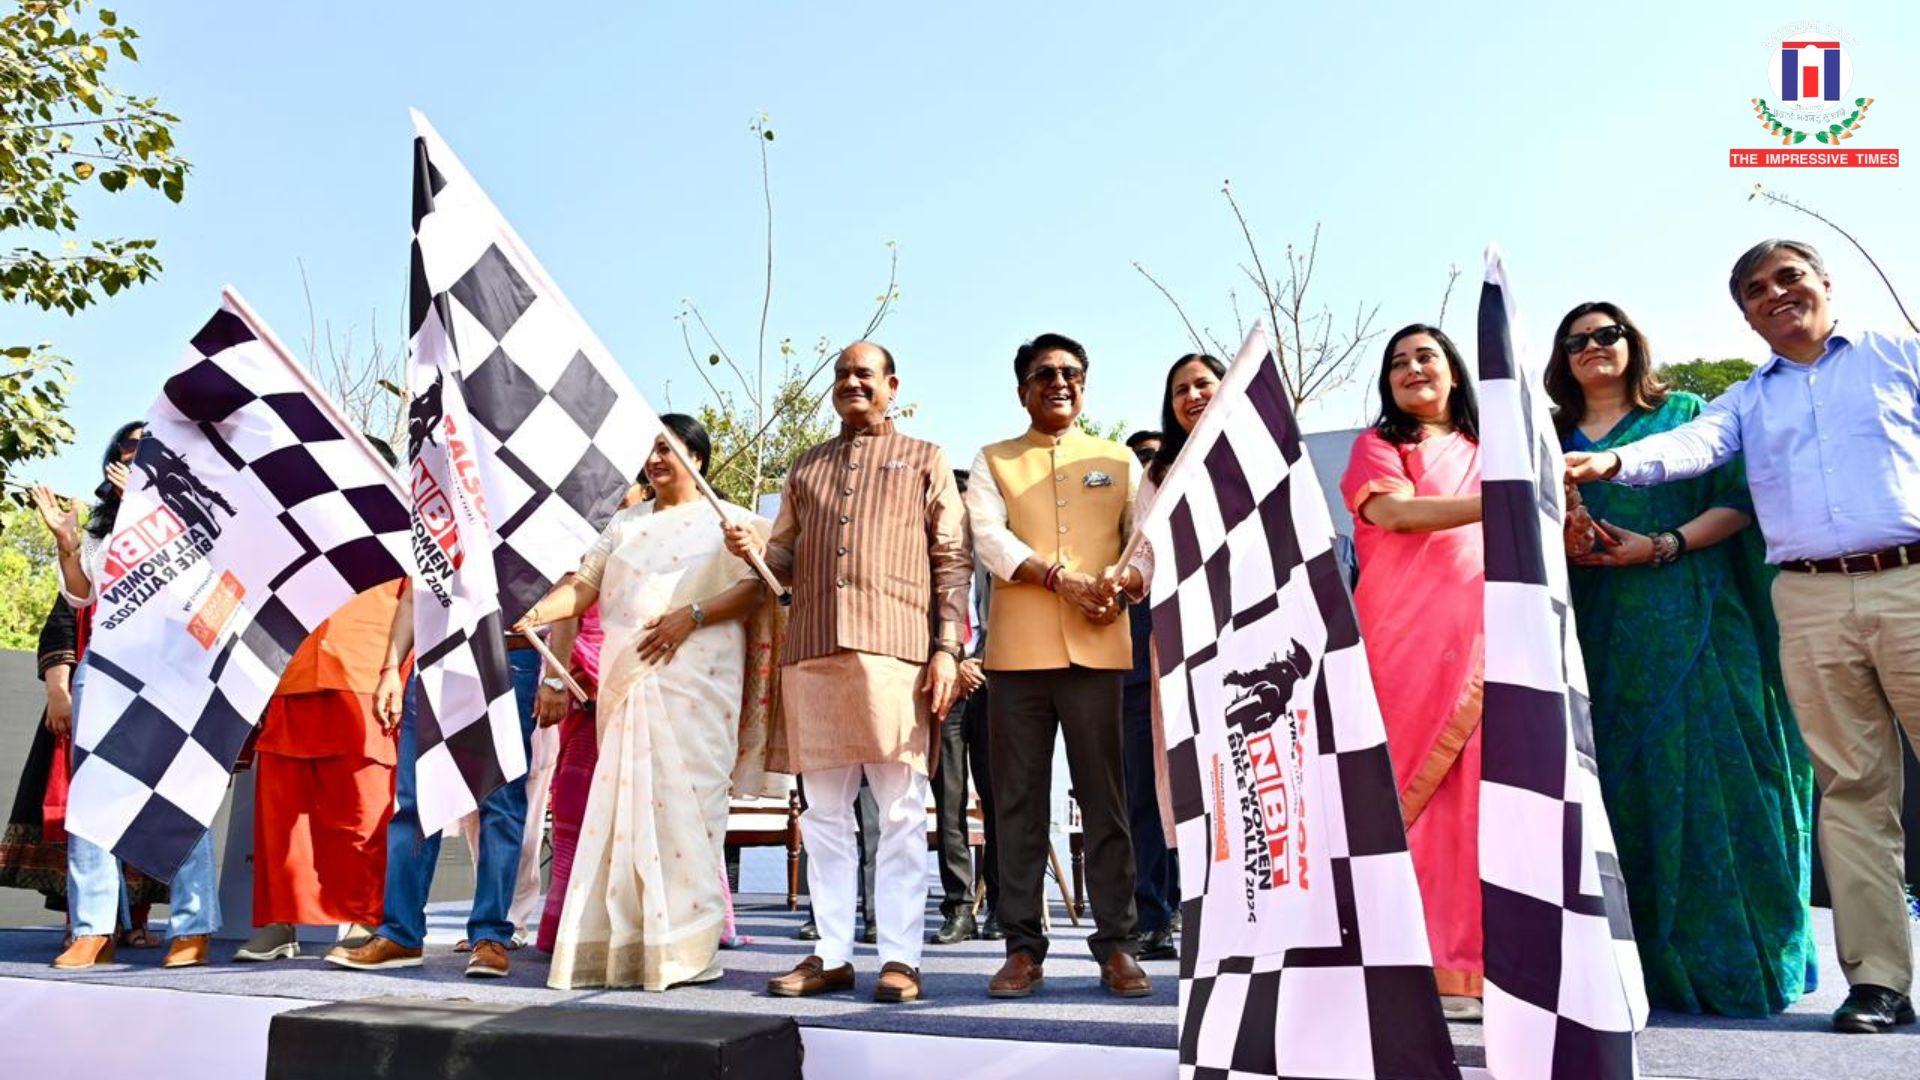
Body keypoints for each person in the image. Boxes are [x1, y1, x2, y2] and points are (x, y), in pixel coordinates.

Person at [1567, 239, 1920, 1035]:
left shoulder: (1899, 356)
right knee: (1853, 794)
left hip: (1910, 579)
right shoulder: (1745, 401)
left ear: (1825, 283)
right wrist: (1610, 465)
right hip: (1810, 598)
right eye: (1756, 289)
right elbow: (1690, 449)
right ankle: (1879, 985)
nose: (1776, 294)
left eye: (1789, 277)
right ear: (1745, 312)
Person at [1547, 300, 1815, 1016]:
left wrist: (1663, 544)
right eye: (1576, 341)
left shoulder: (1690, 411)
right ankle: (1623, 965)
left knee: (1711, 779)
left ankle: (1724, 960)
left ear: (1632, 343)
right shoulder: (1545, 434)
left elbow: (1738, 504)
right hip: (1591, 626)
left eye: (1606, 334)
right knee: (1614, 783)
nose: (1592, 347)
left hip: (1691, 616)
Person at [728, 341, 970, 1005]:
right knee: (824, 814)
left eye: (865, 374)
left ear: (893, 384)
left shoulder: (926, 458)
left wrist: (947, 648)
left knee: (897, 810)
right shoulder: (806, 468)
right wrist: (753, 549)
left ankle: (900, 957)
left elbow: (952, 559)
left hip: (898, 651)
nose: (851, 382)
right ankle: (831, 952)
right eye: (841, 374)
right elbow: (779, 564)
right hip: (813, 651)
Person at [516, 415, 779, 990]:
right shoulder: (625, 525)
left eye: (668, 448)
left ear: (699, 459)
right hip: (628, 680)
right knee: (622, 813)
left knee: (691, 810)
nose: (655, 459)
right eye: (651, 450)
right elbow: (584, 584)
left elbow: (761, 588)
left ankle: (683, 951)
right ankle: (623, 947)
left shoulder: (732, 523)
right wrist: (539, 612)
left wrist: (695, 614)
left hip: (699, 681)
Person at [964, 332, 1150, 999]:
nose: (1060, 382)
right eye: (1045, 374)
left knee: (1106, 802)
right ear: (1023, 389)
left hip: (1100, 649)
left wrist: (1125, 582)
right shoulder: (993, 460)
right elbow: (988, 538)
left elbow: (1145, 538)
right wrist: (1056, 577)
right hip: (1017, 656)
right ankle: (1022, 946)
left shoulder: (1119, 459)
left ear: (1086, 384)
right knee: (1016, 804)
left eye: (1072, 372)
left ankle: (1117, 945)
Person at [31, 421, 222, 970]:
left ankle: (193, 926)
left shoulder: (192, 518)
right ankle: (93, 929)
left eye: (146, 450)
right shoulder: (101, 532)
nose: (134, 458)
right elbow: (79, 594)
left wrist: (151, 500)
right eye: (126, 450)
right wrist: (68, 544)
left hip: (175, 669)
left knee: (181, 792)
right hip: (106, 667)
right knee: (93, 797)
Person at [1337, 324, 1485, 1020]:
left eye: (1425, 356)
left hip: (1487, 645)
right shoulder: (1380, 446)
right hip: (1400, 643)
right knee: (1405, 795)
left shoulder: (1497, 452)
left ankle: (1473, 967)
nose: (1412, 368)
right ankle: (1407, 962)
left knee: (1475, 802)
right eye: (1397, 362)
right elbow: (1394, 514)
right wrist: (1506, 501)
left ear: (1454, 369)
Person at [326, 586, 542, 978]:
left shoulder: (526, 523)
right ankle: (401, 934)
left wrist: (556, 679)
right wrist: (391, 669)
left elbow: (562, 580)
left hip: (508, 655)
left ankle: (490, 936)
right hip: (436, 659)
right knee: (416, 803)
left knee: (500, 803)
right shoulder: (435, 523)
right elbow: (412, 596)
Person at [1112, 354, 1227, 962]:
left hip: (1253, 632)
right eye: (1180, 388)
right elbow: (1148, 553)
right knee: (1180, 778)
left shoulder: (1258, 450)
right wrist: (1124, 580)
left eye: (1204, 383)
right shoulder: (1158, 471)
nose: (1193, 395)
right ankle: (1184, 913)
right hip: (1177, 638)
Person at [237, 578, 409, 962]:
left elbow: (414, 600)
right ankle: (279, 921)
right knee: (282, 816)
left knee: (365, 807)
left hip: (366, 668)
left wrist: (395, 670)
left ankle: (364, 919)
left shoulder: (402, 523)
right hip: (291, 669)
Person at [0, 594, 164, 941]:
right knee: (84, 815)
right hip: (83, 712)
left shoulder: (163, 577)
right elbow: (60, 629)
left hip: (143, 713)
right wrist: (59, 692)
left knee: (136, 816)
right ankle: (86, 923)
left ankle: (134, 920)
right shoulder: (87, 572)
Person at [930, 468, 991, 945]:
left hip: (995, 686)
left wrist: (979, 660)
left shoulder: (998, 554)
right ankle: (958, 908)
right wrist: (953, 660)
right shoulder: (927, 562)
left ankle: (1005, 907)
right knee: (948, 803)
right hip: (945, 688)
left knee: (1001, 800)